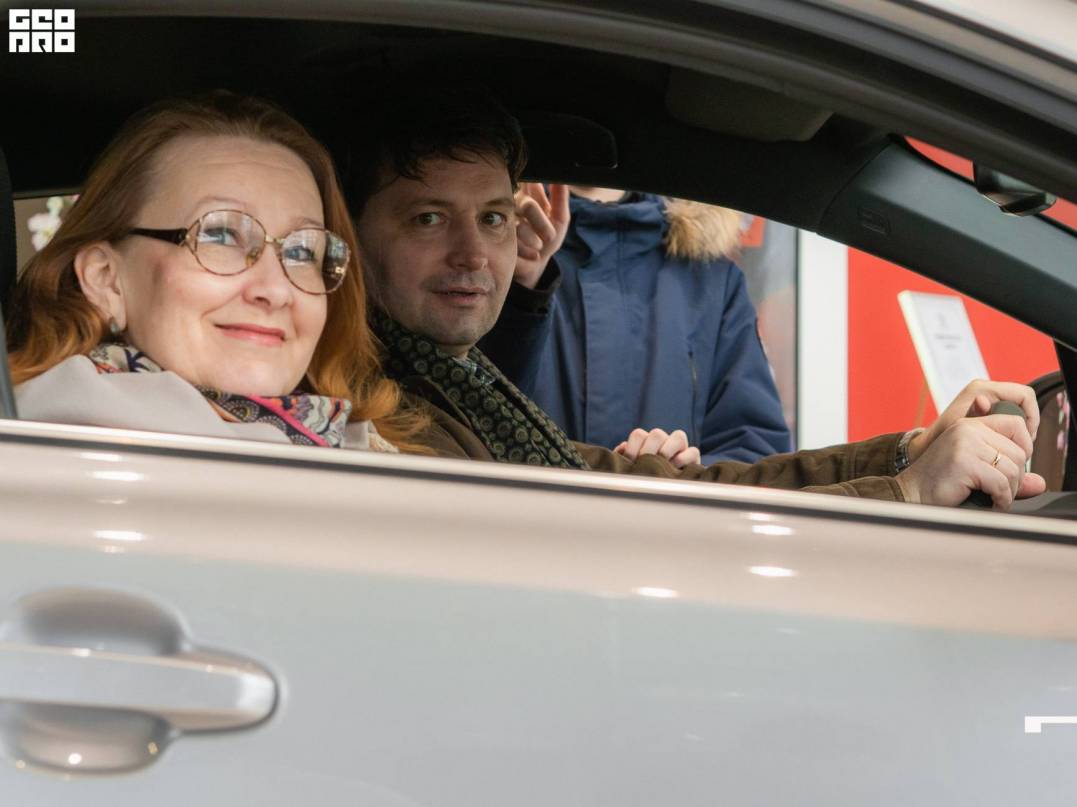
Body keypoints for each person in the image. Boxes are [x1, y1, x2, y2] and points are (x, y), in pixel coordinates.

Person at [347, 88, 1045, 508]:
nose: (473, 254)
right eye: (428, 218)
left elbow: (682, 481)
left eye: (493, 218)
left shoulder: (448, 387)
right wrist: (909, 490)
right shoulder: (382, 420)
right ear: (350, 233)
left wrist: (906, 454)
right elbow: (606, 535)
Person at [6, 92, 424, 452]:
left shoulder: (343, 441)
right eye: (220, 235)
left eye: (301, 250)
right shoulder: (61, 443)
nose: (276, 290)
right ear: (106, 280)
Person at [483, 182, 792, 464]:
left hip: (666, 511)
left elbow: (755, 452)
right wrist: (519, 292)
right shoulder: (488, 256)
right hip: (515, 509)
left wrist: (689, 473)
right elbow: (466, 415)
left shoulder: (710, 279)